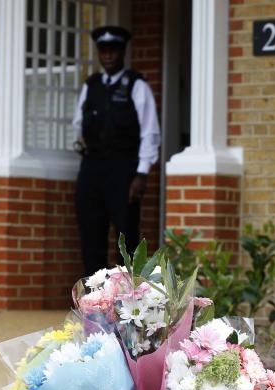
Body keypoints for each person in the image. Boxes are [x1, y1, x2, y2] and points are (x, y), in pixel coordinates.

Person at [73, 25, 161, 277]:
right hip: (92, 167)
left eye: (113, 50)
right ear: (99, 53)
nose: (108, 56)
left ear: (122, 52)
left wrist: (141, 173)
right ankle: (95, 301)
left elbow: (150, 132)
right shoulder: (91, 86)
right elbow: (78, 125)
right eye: (104, 51)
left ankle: (132, 298)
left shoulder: (136, 85)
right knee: (91, 233)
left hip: (124, 169)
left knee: (127, 235)